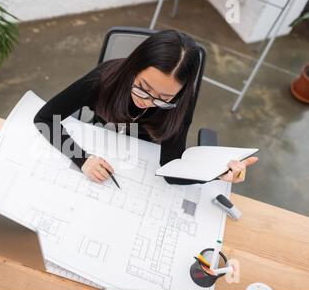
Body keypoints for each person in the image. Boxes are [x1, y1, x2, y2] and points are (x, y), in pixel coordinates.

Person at [34, 29, 258, 185]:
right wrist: (82, 159)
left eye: (163, 97)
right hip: (103, 135)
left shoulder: (179, 104)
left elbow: (171, 168)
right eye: (143, 87)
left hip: (144, 150)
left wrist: (216, 174)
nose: (147, 101)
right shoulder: (104, 78)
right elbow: (44, 119)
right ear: (134, 67)